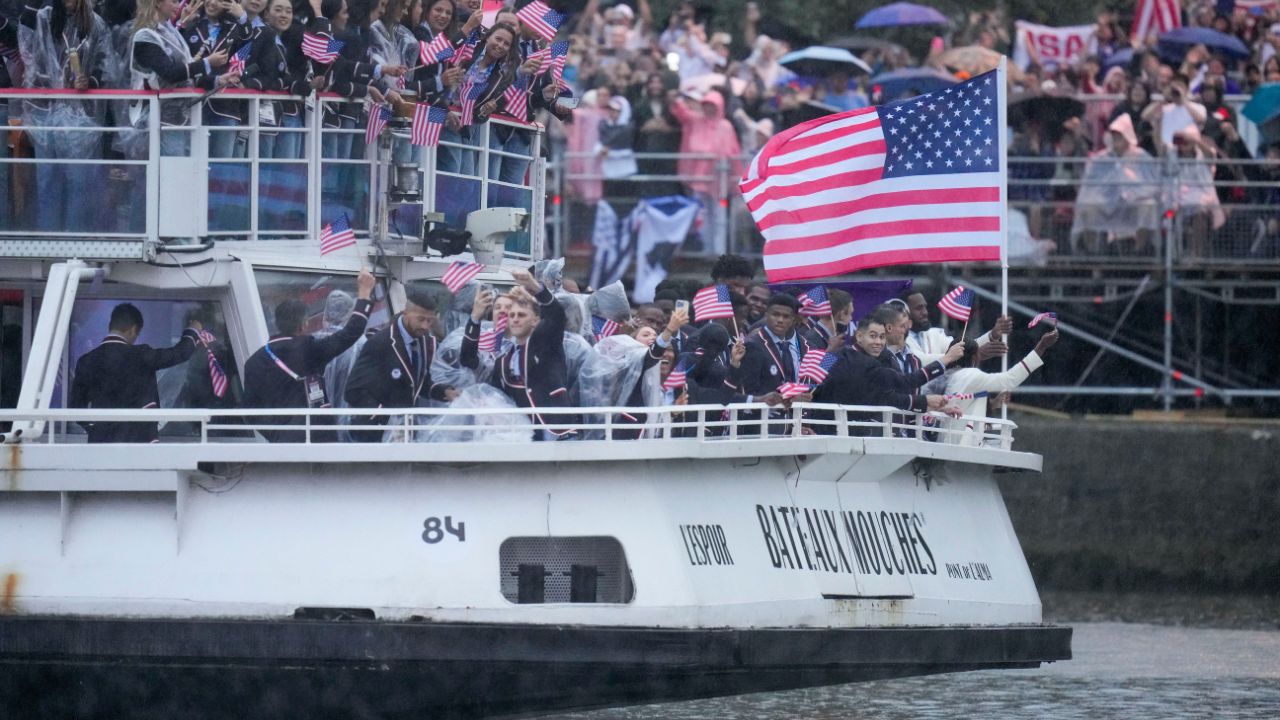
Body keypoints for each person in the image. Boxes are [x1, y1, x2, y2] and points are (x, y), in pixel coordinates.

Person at [241, 268, 376, 442]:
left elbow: (249, 411)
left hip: (281, 444)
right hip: (320, 439)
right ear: (304, 324)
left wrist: (277, 434)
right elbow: (352, 331)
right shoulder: (310, 349)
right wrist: (364, 292)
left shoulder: (253, 362)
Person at [19, 0, 112, 232]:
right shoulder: (44, 17)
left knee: (78, 182)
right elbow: (25, 44)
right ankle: (48, 239)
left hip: (79, 115)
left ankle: (74, 239)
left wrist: (90, 81)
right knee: (47, 180)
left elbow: (105, 63)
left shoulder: (96, 24)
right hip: (44, 111)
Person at [460, 269, 578, 440]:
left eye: (521, 315)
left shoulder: (545, 343)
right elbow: (468, 361)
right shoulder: (503, 359)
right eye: (512, 315)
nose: (514, 318)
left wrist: (535, 287)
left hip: (557, 430)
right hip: (524, 435)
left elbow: (556, 315)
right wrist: (475, 318)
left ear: (535, 320)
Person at [69, 303, 203, 443]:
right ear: (133, 330)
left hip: (101, 443)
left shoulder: (86, 361)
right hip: (140, 442)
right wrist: (193, 330)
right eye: (137, 334)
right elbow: (180, 353)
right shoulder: (141, 355)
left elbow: (76, 409)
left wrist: (95, 428)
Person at [811, 315, 957, 436]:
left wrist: (930, 405)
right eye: (873, 336)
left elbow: (887, 398)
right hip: (836, 435)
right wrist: (946, 359)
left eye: (882, 337)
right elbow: (907, 382)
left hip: (821, 430)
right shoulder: (868, 365)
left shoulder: (836, 354)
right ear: (859, 336)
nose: (878, 342)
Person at [345, 289, 460, 441]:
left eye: (430, 321)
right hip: (374, 433)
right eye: (421, 319)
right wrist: (386, 417)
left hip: (404, 431)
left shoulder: (425, 341)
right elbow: (352, 391)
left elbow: (419, 382)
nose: (426, 326)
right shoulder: (380, 343)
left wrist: (444, 391)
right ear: (406, 313)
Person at [942, 328, 1059, 446]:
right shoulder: (970, 375)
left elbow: (961, 404)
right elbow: (1010, 379)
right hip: (960, 445)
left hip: (946, 440)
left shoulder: (947, 375)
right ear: (973, 358)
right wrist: (1042, 346)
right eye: (979, 355)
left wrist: (993, 404)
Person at [1071, 113, 1160, 254]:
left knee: (1148, 206)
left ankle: (1139, 251)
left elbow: (1151, 183)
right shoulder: (1101, 158)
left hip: (1135, 201)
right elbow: (1091, 185)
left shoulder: (1141, 156)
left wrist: (1134, 187)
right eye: (1114, 135)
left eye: (1119, 135)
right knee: (1088, 206)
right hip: (1105, 201)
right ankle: (1092, 254)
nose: (1116, 139)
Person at [903, 291, 1009, 365]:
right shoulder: (898, 338)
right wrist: (972, 354)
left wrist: (992, 335)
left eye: (925, 307)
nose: (925, 312)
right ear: (904, 312)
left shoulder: (934, 334)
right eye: (919, 308)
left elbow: (960, 347)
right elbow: (919, 361)